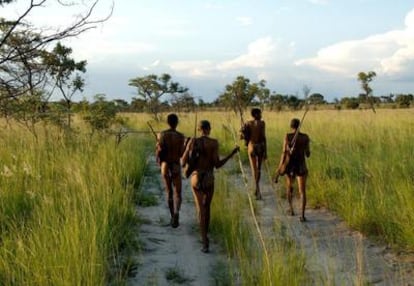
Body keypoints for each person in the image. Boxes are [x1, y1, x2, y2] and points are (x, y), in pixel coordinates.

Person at [181, 120, 239, 253]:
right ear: (208, 129)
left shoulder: (192, 141)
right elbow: (217, 164)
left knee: (200, 210)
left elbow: (183, 162)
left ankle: (204, 242)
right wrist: (231, 153)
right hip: (208, 178)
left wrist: (188, 148)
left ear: (199, 129)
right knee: (207, 209)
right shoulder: (214, 143)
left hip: (196, 177)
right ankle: (205, 235)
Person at [156, 113, 186, 228]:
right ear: (176, 123)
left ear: (167, 122)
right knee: (178, 192)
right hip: (175, 165)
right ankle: (177, 212)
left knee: (169, 192)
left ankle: (172, 216)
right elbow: (181, 153)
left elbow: (158, 153)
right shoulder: (180, 136)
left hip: (165, 165)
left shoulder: (162, 134)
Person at [283, 118, 310, 222]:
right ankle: (302, 215)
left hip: (291, 166)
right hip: (301, 166)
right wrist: (305, 147)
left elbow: (284, 151)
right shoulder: (305, 137)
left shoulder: (287, 136)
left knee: (289, 188)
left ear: (291, 126)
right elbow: (308, 154)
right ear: (299, 126)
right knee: (302, 191)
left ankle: (291, 210)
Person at [242, 108, 267, 200]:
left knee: (254, 169)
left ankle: (257, 189)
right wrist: (266, 152)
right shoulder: (262, 123)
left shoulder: (247, 123)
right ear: (256, 114)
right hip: (260, 147)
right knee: (259, 168)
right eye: (260, 113)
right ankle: (257, 190)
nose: (261, 115)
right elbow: (264, 138)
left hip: (251, 147)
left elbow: (243, 136)